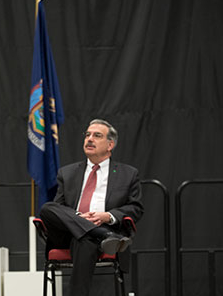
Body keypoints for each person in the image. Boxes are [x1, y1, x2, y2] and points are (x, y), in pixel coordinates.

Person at [39, 119, 144, 296]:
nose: (89, 139)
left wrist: (108, 216)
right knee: (48, 208)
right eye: (87, 135)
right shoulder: (67, 173)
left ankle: (98, 233)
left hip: (102, 228)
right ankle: (103, 235)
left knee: (85, 240)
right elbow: (59, 208)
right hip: (70, 232)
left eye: (97, 135)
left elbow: (136, 208)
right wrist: (79, 218)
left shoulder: (128, 174)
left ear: (110, 144)